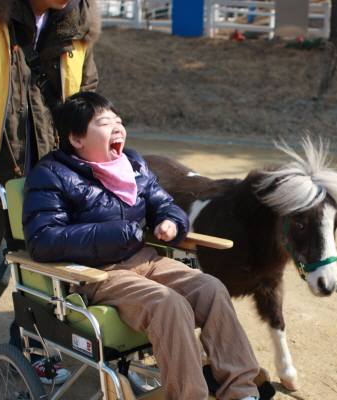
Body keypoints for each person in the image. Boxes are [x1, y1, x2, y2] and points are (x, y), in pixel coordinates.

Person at [22, 91, 264, 400]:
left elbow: (164, 205)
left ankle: (242, 391)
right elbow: (43, 240)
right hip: (98, 275)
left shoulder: (132, 164)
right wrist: (118, 233)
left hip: (147, 259)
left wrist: (171, 221)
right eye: (105, 122)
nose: (118, 128)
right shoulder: (52, 175)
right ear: (76, 138)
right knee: (169, 303)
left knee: (211, 289)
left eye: (118, 120)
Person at [0, 0, 100, 384]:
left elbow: (85, 95)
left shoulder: (78, 18)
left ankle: (31, 347)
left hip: (51, 178)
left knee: (42, 275)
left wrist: (100, 145)